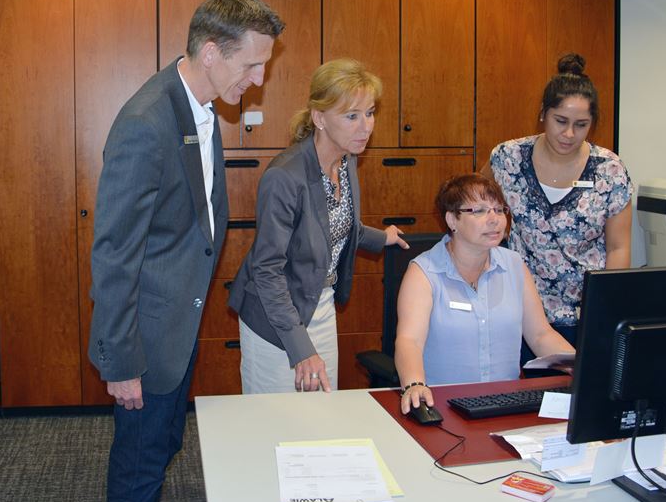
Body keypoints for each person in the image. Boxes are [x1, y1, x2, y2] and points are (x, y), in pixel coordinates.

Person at [88, 0, 283, 502]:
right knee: (138, 466)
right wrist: (121, 362)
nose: (259, 79)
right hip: (144, 342)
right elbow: (114, 254)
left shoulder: (197, 106)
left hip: (176, 323)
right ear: (212, 53)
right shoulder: (145, 123)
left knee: (163, 444)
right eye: (253, 64)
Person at [228, 58, 409, 395]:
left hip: (320, 303)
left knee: (321, 414)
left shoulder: (346, 160)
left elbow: (335, 226)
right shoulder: (285, 177)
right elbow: (267, 271)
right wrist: (301, 350)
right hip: (274, 317)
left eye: (370, 113)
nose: (366, 126)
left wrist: (381, 237)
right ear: (319, 118)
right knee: (277, 420)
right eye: (352, 116)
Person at [483, 53, 633, 351]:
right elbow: (473, 206)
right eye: (560, 121)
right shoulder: (507, 158)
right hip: (515, 312)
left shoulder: (610, 170)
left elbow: (619, 247)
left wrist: (605, 311)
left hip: (584, 317)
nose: (568, 134)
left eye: (581, 125)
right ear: (542, 113)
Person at [394, 173, 575, 414]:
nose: (495, 220)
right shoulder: (424, 273)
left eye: (499, 210)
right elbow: (410, 341)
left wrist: (582, 365)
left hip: (507, 403)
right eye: (479, 211)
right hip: (443, 405)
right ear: (452, 220)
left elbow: (541, 335)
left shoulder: (514, 264)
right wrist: (414, 384)